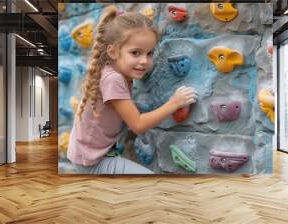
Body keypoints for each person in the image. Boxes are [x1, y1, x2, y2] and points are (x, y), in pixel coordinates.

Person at [66, 5, 197, 174]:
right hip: (91, 161)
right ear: (113, 51)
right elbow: (138, 124)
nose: (144, 61)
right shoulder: (113, 79)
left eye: (149, 53)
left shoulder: (114, 72)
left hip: (86, 154)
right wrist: (174, 103)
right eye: (135, 53)